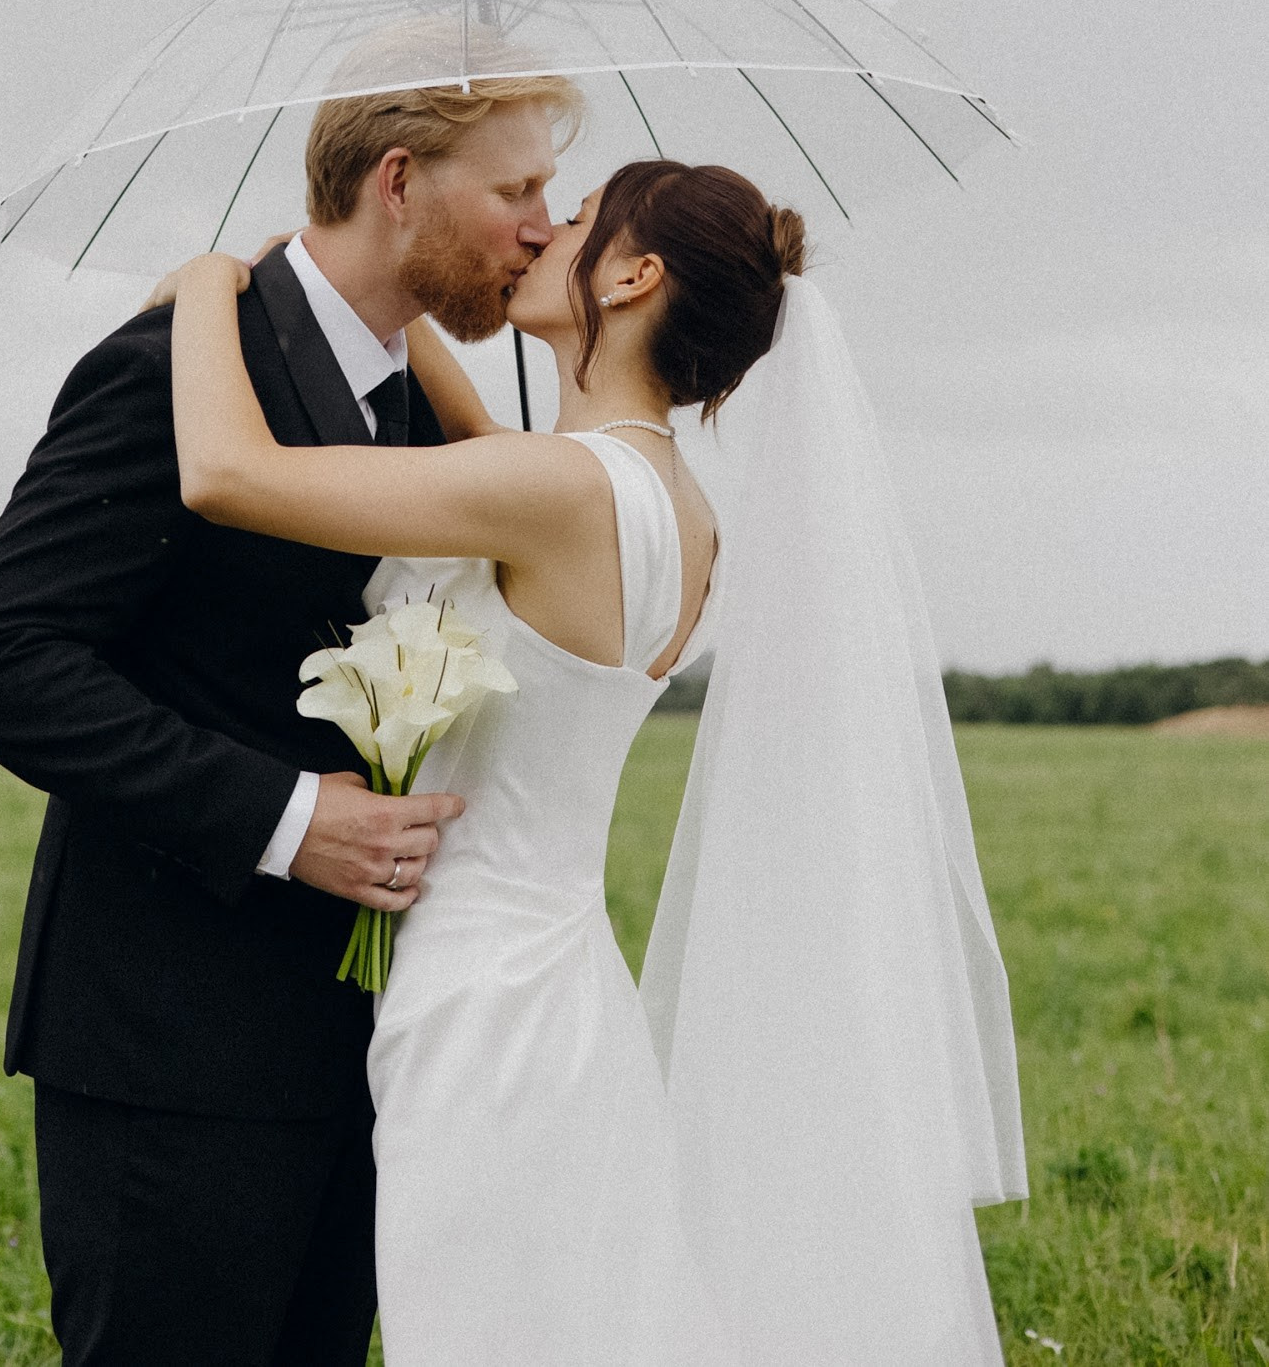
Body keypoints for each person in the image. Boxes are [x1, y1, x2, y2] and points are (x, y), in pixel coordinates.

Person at [162, 157, 1027, 1367]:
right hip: (562, 983)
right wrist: (399, 308)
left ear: (629, 275)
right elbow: (491, 455)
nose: (537, 234)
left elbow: (224, 473)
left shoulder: (554, 487)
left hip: (479, 999)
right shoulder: (675, 506)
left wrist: (212, 281)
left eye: (572, 220)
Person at [0, 64, 583, 1367]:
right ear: (397, 182)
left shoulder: (428, 412)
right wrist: (284, 820)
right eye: (515, 188)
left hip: (373, 1048)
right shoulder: (166, 369)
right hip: (170, 1047)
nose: (540, 224)